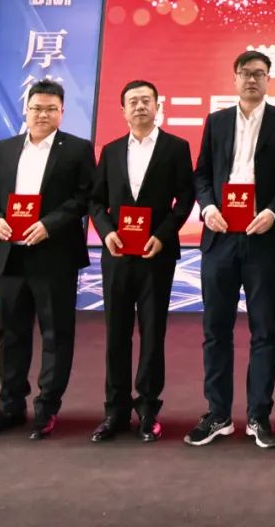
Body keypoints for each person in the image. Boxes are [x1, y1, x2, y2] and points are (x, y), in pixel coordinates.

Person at [189, 51, 275, 449]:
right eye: (245, 73)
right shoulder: (217, 121)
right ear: (235, 78)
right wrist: (208, 208)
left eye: (259, 73)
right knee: (215, 329)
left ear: (269, 79)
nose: (252, 79)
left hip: (264, 236)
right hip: (220, 236)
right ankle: (218, 414)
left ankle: (259, 416)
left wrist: (273, 212)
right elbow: (202, 174)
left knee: (264, 330)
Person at [0, 80, 94, 440]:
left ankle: (46, 409)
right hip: (10, 255)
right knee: (12, 334)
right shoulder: (5, 148)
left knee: (57, 334)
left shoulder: (77, 149)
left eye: (51, 109)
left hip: (54, 255)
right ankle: (10, 407)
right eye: (37, 108)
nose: (43, 114)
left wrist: (49, 225)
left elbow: (84, 197)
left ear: (62, 112)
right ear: (25, 110)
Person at [89, 80, 194, 443]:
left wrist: (162, 235)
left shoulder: (176, 148)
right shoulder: (111, 150)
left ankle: (148, 408)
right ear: (123, 110)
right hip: (117, 254)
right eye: (132, 101)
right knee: (116, 333)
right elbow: (96, 201)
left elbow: (185, 199)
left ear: (157, 105)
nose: (139, 106)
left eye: (146, 100)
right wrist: (107, 232)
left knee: (152, 332)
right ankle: (115, 411)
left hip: (156, 254)